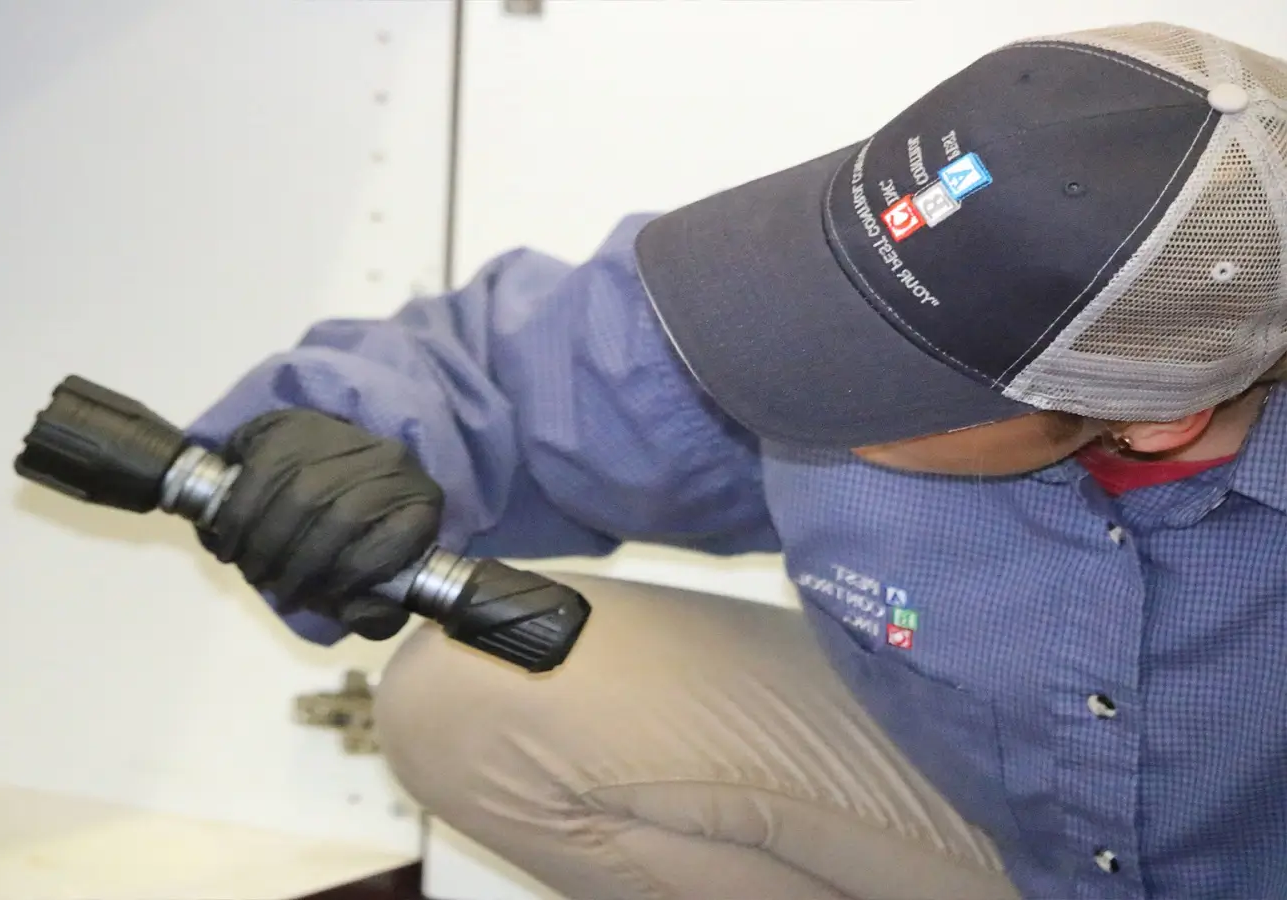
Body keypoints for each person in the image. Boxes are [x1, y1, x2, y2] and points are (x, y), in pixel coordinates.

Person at [187, 21, 1287, 900]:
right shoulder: (871, 277)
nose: (813, 360)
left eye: (893, 369)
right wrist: (333, 444)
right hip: (1001, 841)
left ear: (1154, 420)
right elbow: (508, 372)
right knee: (472, 695)